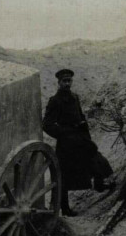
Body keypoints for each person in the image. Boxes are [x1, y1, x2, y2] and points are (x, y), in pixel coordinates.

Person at [42, 68, 114, 216]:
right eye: (64, 81)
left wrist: (86, 136)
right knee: (64, 175)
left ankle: (99, 185)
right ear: (59, 82)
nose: (67, 84)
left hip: (80, 139)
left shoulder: (75, 97)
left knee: (94, 157)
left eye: (69, 81)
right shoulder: (54, 101)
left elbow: (81, 117)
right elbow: (47, 125)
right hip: (66, 144)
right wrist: (63, 134)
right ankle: (65, 208)